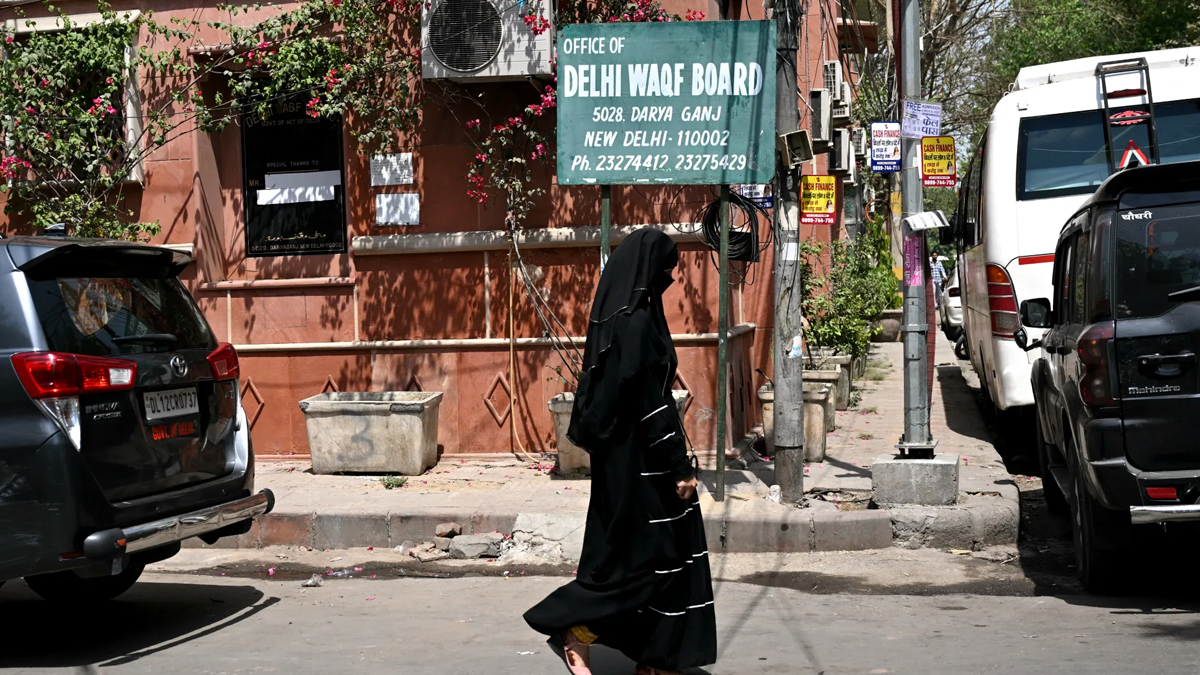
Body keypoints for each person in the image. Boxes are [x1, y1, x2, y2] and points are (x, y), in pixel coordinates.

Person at [524, 229, 717, 675]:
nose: (668, 276)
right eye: (665, 268)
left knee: (641, 556)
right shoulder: (636, 325)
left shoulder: (621, 318)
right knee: (653, 560)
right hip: (644, 464)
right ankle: (576, 628)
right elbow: (650, 404)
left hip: (623, 461)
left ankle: (653, 658)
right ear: (647, 271)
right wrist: (679, 467)